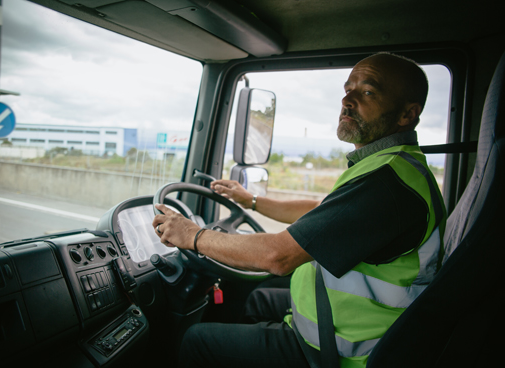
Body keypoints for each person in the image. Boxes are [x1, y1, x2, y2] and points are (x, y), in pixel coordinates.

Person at [152, 52, 447, 368]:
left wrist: (193, 235)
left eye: (368, 92)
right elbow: (321, 212)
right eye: (348, 89)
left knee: (197, 341)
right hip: (336, 320)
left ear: (407, 114)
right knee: (258, 298)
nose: (347, 100)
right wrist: (251, 200)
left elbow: (277, 257)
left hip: (346, 352)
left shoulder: (387, 183)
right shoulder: (391, 166)